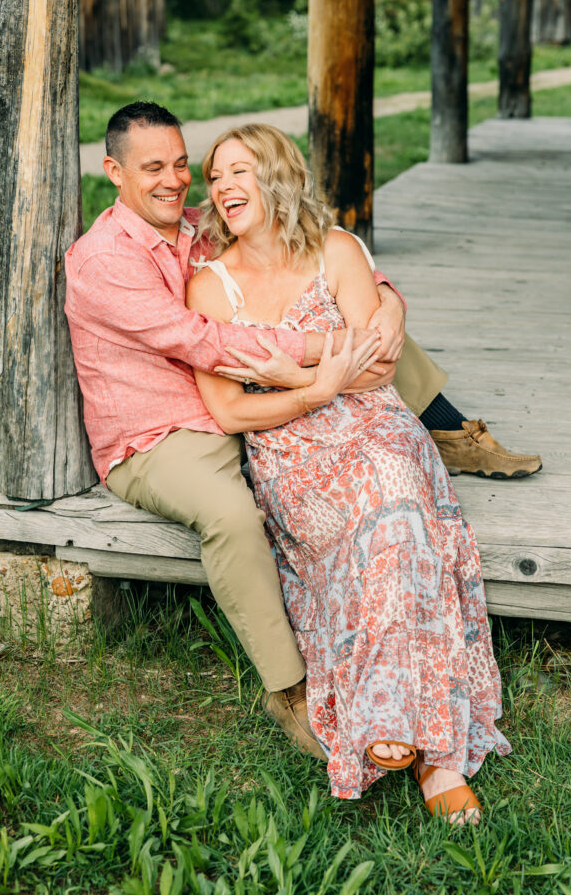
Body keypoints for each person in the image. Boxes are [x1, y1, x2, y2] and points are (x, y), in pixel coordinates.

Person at [186, 124, 511, 823]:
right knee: (366, 530)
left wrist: (281, 370)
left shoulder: (334, 251)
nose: (221, 187)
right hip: (290, 450)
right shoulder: (210, 288)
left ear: (275, 174)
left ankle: (429, 752)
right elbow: (228, 410)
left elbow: (381, 368)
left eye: (238, 170)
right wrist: (322, 377)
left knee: (396, 513)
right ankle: (428, 750)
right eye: (214, 177)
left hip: (374, 425)